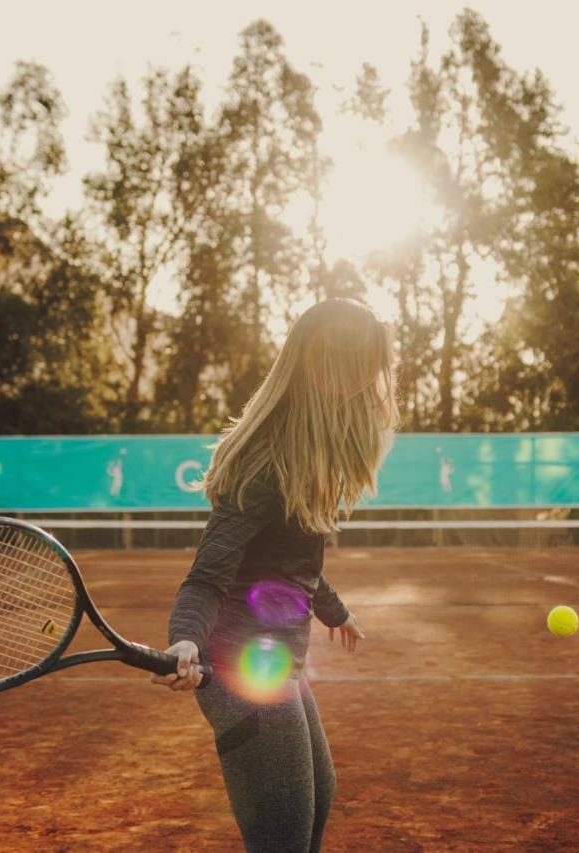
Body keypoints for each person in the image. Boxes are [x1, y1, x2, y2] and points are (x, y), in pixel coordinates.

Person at [153, 298, 398, 852]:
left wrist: (333, 609)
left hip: (276, 662)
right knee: (284, 835)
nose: (364, 386)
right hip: (237, 666)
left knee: (313, 809)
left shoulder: (305, 455)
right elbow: (207, 576)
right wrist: (186, 638)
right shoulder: (265, 462)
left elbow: (290, 562)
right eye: (354, 366)